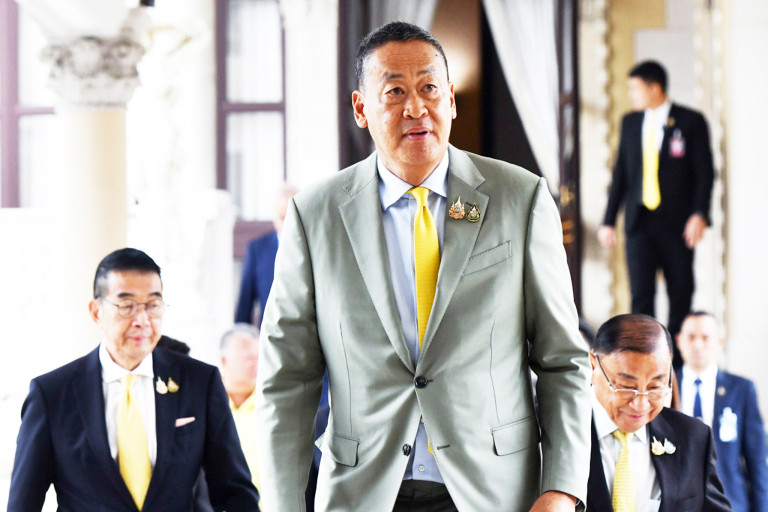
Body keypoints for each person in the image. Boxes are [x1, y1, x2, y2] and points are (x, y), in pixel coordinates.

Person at [256, 21, 591, 512]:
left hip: (495, 491)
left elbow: (563, 360)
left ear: (450, 99)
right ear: (361, 109)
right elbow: (287, 378)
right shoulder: (315, 215)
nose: (416, 107)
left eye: (429, 88)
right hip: (363, 492)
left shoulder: (520, 198)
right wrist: (282, 504)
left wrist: (561, 487)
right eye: (394, 91)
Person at [8, 248, 259, 512]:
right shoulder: (52, 394)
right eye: (127, 306)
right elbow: (23, 503)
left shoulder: (199, 382)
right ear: (96, 312)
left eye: (153, 305)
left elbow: (236, 493)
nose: (142, 320)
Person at [598, 60, 715, 366]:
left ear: (654, 88)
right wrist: (608, 221)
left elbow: (704, 172)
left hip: (678, 224)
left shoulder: (690, 121)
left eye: (635, 89)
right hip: (639, 223)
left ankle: (674, 368)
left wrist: (700, 214)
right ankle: (646, 362)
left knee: (680, 294)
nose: (631, 95)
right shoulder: (630, 122)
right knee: (641, 297)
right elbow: (621, 174)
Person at [587, 313, 732, 511]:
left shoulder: (692, 437)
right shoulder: (554, 430)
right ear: (593, 365)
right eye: (626, 386)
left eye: (655, 387)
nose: (640, 404)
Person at [675, 312, 768, 512]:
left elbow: (757, 459)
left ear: (720, 341)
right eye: (691, 337)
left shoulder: (741, 389)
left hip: (730, 502)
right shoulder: (666, 386)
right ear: (679, 341)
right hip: (679, 502)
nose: (697, 345)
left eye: (705, 337)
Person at [235, 184, 298, 326]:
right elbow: (245, 303)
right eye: (282, 217)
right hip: (268, 332)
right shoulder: (258, 249)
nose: (287, 224)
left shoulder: (314, 248)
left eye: (292, 217)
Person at [220, 323, 262, 505]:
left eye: (259, 358)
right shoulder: (204, 404)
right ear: (224, 361)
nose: (255, 365)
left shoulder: (273, 406)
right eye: (247, 359)